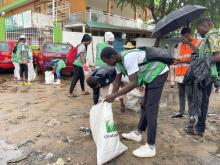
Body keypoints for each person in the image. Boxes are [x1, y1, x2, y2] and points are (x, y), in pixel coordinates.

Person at [101, 47, 169, 158]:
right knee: (145, 106)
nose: (107, 64)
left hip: (158, 73)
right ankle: (138, 133)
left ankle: (151, 147)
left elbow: (133, 83)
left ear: (112, 57)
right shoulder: (118, 63)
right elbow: (117, 81)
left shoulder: (128, 58)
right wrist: (111, 96)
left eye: (107, 61)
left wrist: (114, 95)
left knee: (151, 109)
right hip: (150, 76)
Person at [184, 18, 220, 136]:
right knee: (198, 99)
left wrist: (202, 61)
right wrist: (189, 43)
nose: (197, 31)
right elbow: (201, 53)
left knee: (202, 100)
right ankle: (197, 126)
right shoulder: (207, 38)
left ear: (204, 26)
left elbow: (218, 56)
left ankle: (200, 128)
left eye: (198, 28)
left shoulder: (212, 36)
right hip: (203, 74)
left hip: (206, 74)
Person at [172, 27, 202, 119]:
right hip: (179, 74)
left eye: (186, 36)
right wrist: (175, 60)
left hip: (189, 73)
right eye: (183, 36)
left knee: (190, 94)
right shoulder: (180, 45)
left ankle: (191, 114)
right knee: (181, 93)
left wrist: (189, 43)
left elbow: (197, 56)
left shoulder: (197, 42)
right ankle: (181, 111)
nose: (184, 38)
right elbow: (176, 57)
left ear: (190, 34)